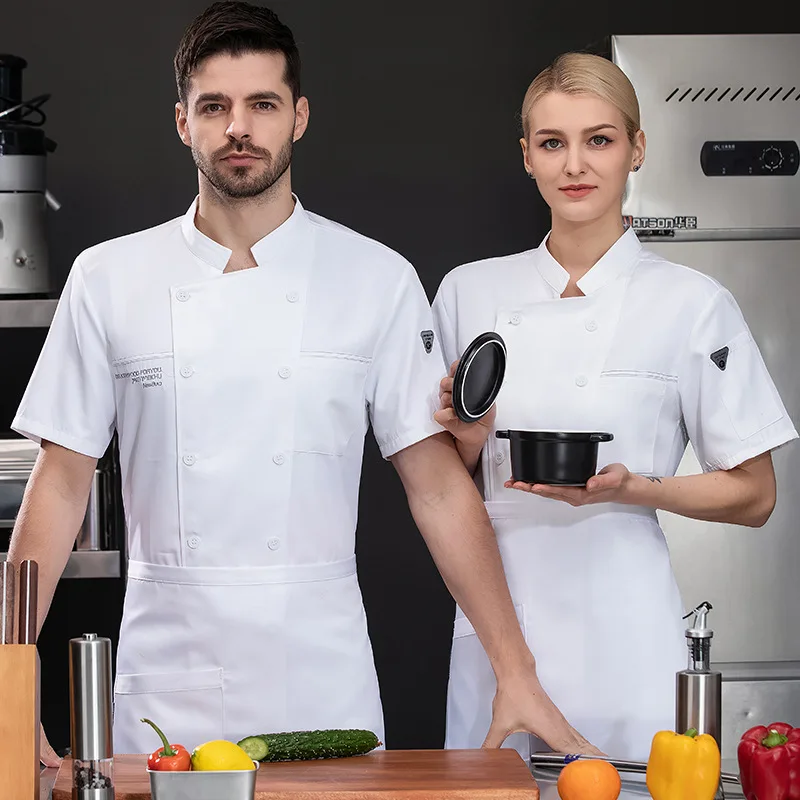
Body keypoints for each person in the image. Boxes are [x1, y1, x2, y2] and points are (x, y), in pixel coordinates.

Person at [8, 2, 600, 765]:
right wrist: (11, 683)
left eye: (263, 104)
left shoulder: (375, 279)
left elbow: (439, 490)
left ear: (300, 117)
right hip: (169, 680)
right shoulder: (108, 278)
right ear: (183, 121)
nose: (239, 129)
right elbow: (59, 485)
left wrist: (516, 672)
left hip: (321, 676)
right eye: (214, 106)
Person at [432, 52, 798, 762]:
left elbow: (755, 496)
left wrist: (632, 488)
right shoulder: (467, 293)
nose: (576, 164)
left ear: (637, 149)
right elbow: (441, 486)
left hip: (627, 638)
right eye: (552, 142)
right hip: (498, 634)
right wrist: (471, 440)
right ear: (527, 158)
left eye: (599, 139)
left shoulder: (693, 304)